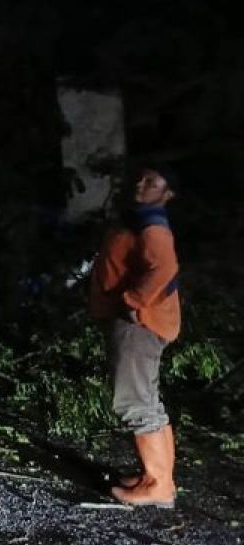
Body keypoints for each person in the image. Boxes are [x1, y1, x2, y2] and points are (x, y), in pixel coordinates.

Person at [89, 166, 181, 507]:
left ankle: (157, 486)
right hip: (142, 321)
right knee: (147, 399)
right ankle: (157, 478)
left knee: (134, 402)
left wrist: (132, 302)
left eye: (153, 182)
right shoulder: (138, 220)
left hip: (140, 324)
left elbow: (165, 270)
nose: (142, 184)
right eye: (141, 178)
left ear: (167, 194)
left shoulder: (152, 226)